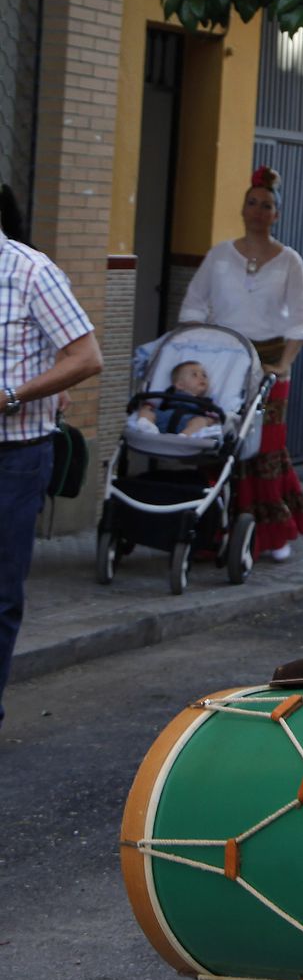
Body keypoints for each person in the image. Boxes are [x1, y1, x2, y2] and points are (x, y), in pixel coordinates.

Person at [178, 165, 303, 559]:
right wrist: (197, 352)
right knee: (220, 441)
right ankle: (215, 527)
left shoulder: (290, 261)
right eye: (252, 203)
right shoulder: (219, 255)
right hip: (224, 361)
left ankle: (272, 533)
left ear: (277, 214)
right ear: (242, 209)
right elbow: (192, 305)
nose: (258, 211)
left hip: (271, 364)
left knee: (264, 447)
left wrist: (284, 363)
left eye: (266, 205)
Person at [1, 222, 103, 726]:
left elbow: (87, 357)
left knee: (0, 592)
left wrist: (14, 395)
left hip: (14, 456)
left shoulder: (32, 271)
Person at [134, 361, 219, 436]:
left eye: (204, 375)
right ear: (180, 385)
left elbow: (213, 418)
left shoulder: (206, 402)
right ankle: (149, 428)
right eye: (194, 375)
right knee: (145, 412)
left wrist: (209, 420)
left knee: (200, 421)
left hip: (188, 422)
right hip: (164, 418)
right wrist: (147, 407)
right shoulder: (169, 393)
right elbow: (156, 403)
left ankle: (185, 436)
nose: (202, 377)